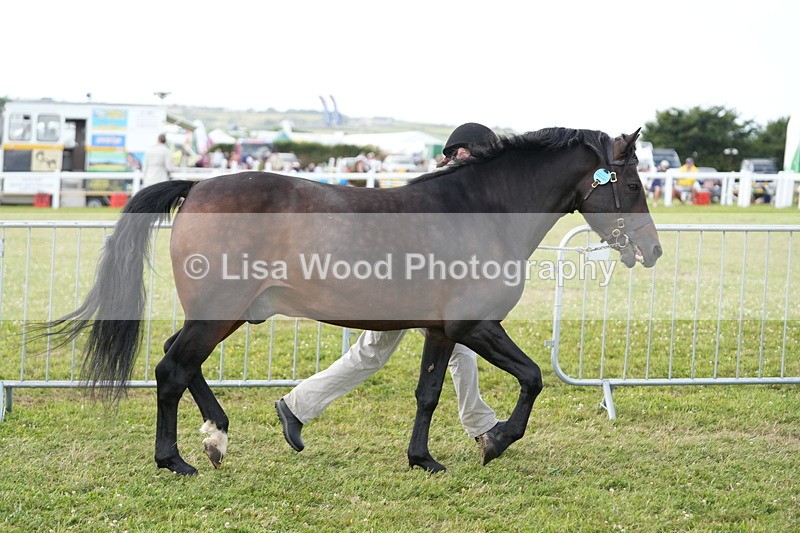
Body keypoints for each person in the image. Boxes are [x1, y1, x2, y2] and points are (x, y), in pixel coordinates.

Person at [276, 122, 505, 453]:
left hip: (416, 292)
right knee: (375, 354)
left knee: (451, 353)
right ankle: (295, 406)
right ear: (464, 154)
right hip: (405, 292)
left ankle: (483, 426)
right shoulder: (446, 188)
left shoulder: (450, 187)